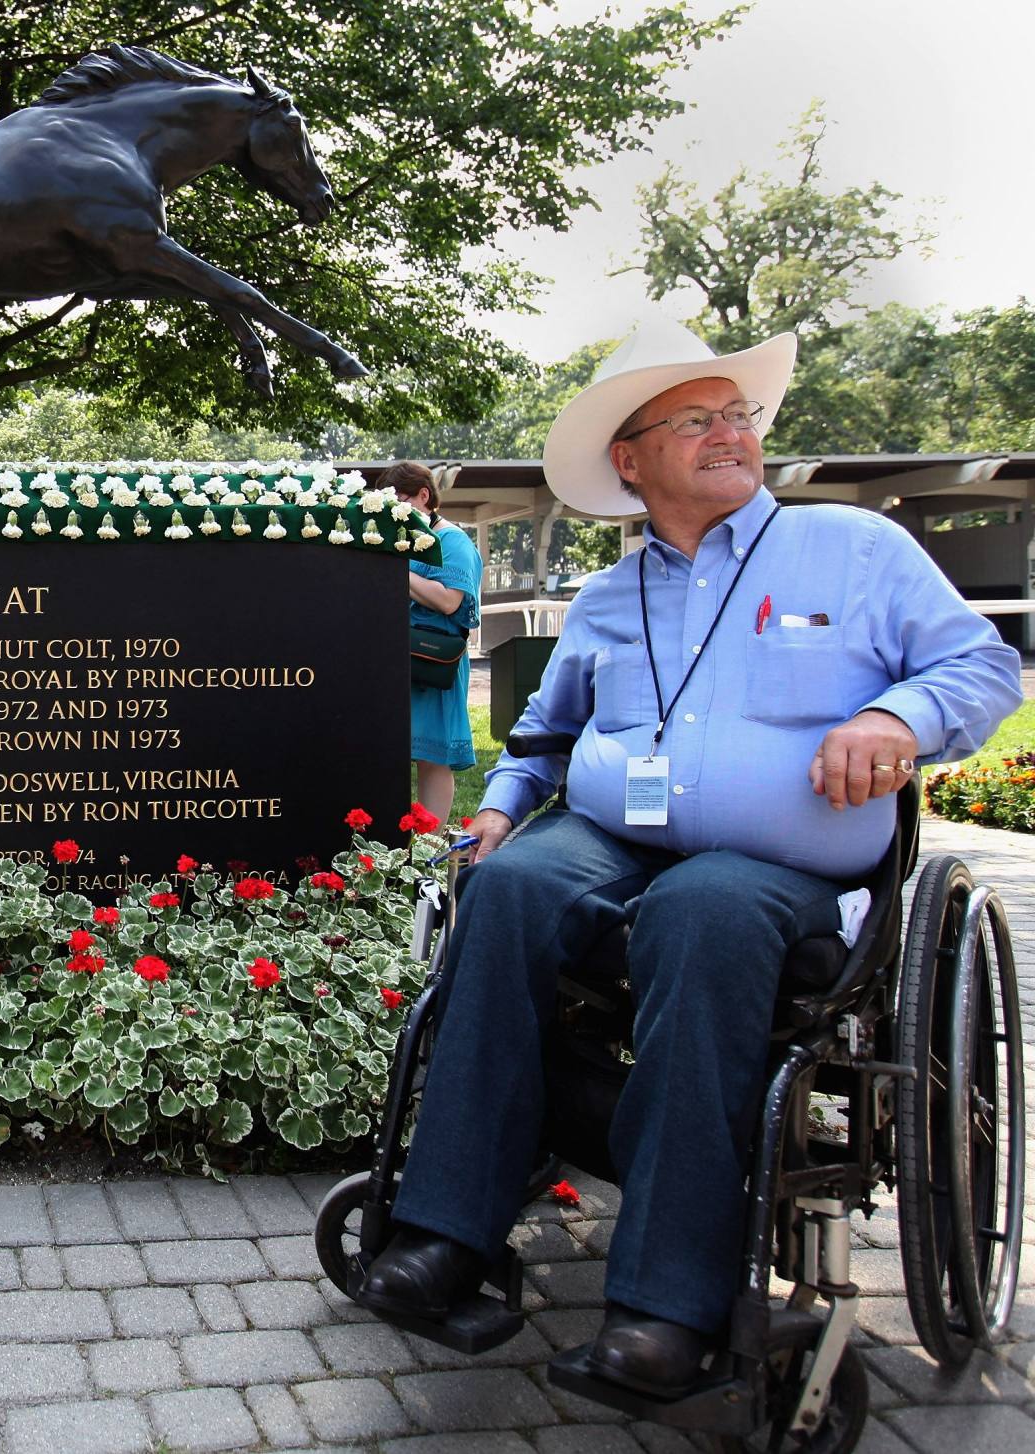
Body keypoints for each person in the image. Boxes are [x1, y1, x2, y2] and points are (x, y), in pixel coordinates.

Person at [361, 319, 1022, 1395]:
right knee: (508, 888)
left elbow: (976, 664)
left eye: (737, 414)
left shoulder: (853, 548)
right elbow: (543, 733)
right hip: (608, 832)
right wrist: (502, 809)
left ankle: (665, 1307)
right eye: (697, 418)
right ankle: (444, 1233)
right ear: (631, 459)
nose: (730, 433)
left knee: (700, 912)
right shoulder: (609, 598)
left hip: (774, 862)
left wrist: (899, 716)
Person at [385, 461, 481, 823]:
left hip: (434, 662)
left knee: (432, 757)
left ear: (424, 496)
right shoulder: (402, 538)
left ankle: (428, 844)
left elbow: (449, 600)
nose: (395, 508)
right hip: (396, 657)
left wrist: (396, 567)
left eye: (401, 498)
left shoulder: (453, 541)